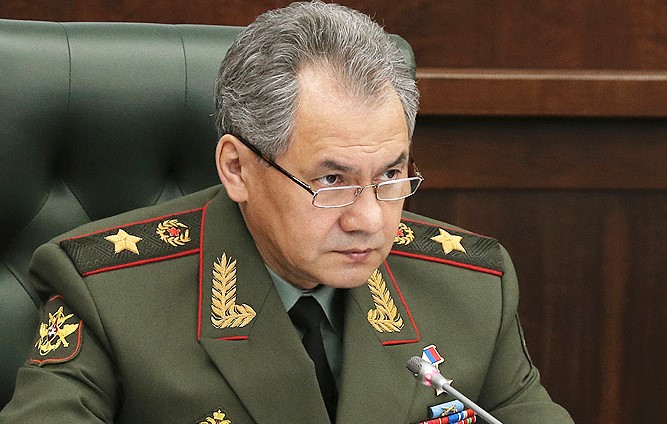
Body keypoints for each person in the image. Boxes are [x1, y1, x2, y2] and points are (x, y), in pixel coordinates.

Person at [0, 2, 574, 423]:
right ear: (237, 168)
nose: (370, 220)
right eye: (332, 181)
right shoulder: (106, 292)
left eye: (390, 176)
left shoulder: (473, 286)